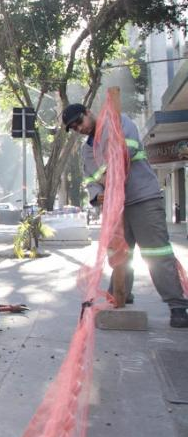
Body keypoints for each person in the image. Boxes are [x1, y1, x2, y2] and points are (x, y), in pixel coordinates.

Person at [63, 103, 188, 328]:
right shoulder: (86, 150)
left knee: (156, 252)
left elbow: (126, 151)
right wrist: (97, 195)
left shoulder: (119, 123)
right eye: (73, 128)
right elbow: (90, 179)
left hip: (142, 198)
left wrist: (111, 176)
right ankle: (121, 292)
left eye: (79, 122)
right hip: (116, 206)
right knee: (121, 253)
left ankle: (177, 305)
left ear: (88, 113)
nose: (78, 128)